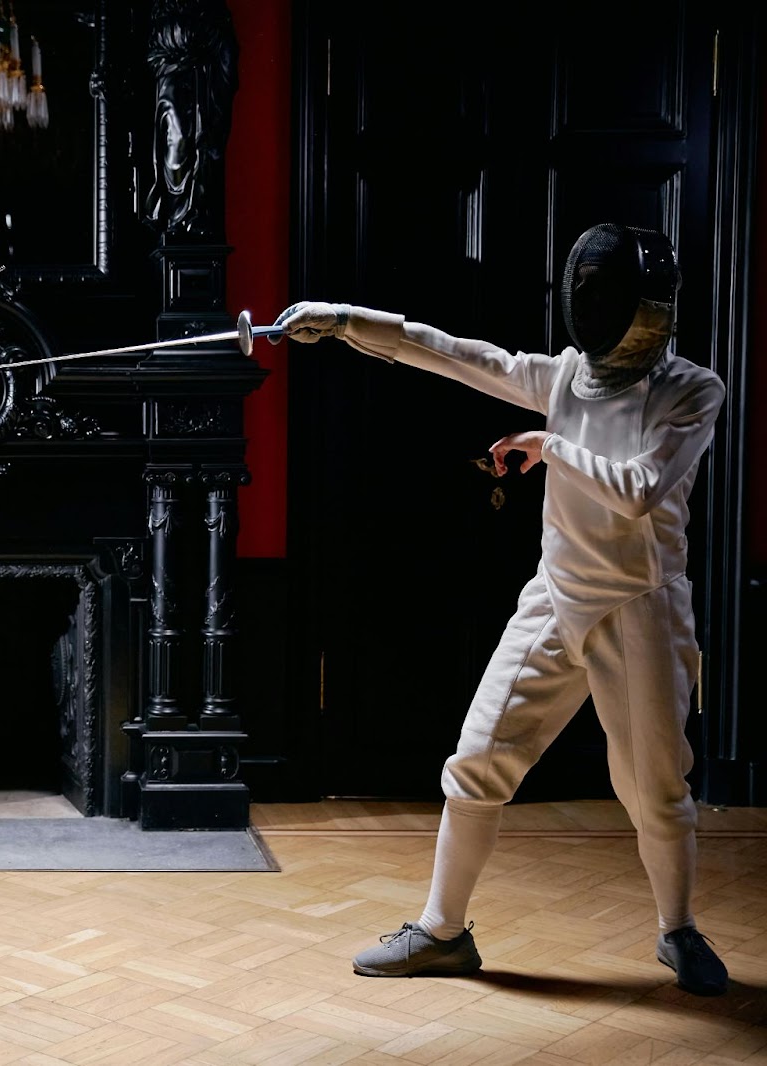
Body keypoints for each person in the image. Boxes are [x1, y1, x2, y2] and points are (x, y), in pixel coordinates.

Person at [276, 221, 729, 997]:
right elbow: (452, 353)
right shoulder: (562, 378)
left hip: (641, 610)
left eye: (613, 297)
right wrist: (345, 320)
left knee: (657, 790)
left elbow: (639, 493)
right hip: (555, 599)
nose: (599, 309)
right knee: (477, 761)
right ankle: (443, 933)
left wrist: (549, 447)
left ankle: (677, 929)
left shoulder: (692, 389)